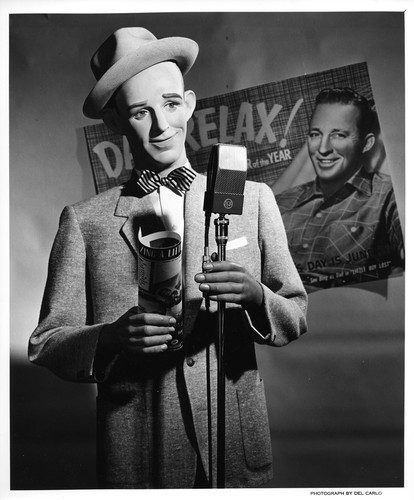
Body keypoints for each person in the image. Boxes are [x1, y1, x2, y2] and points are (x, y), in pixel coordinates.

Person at [28, 27, 308, 489]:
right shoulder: (85, 222)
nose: (161, 127)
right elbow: (46, 341)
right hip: (138, 456)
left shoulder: (253, 200)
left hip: (233, 450)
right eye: (141, 112)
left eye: (172, 105)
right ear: (115, 122)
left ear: (191, 103)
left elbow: (295, 313)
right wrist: (111, 337)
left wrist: (256, 295)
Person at [274, 87, 404, 291]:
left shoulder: (388, 196)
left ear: (367, 143)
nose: (323, 149)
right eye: (315, 134)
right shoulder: (279, 204)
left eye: (339, 135)